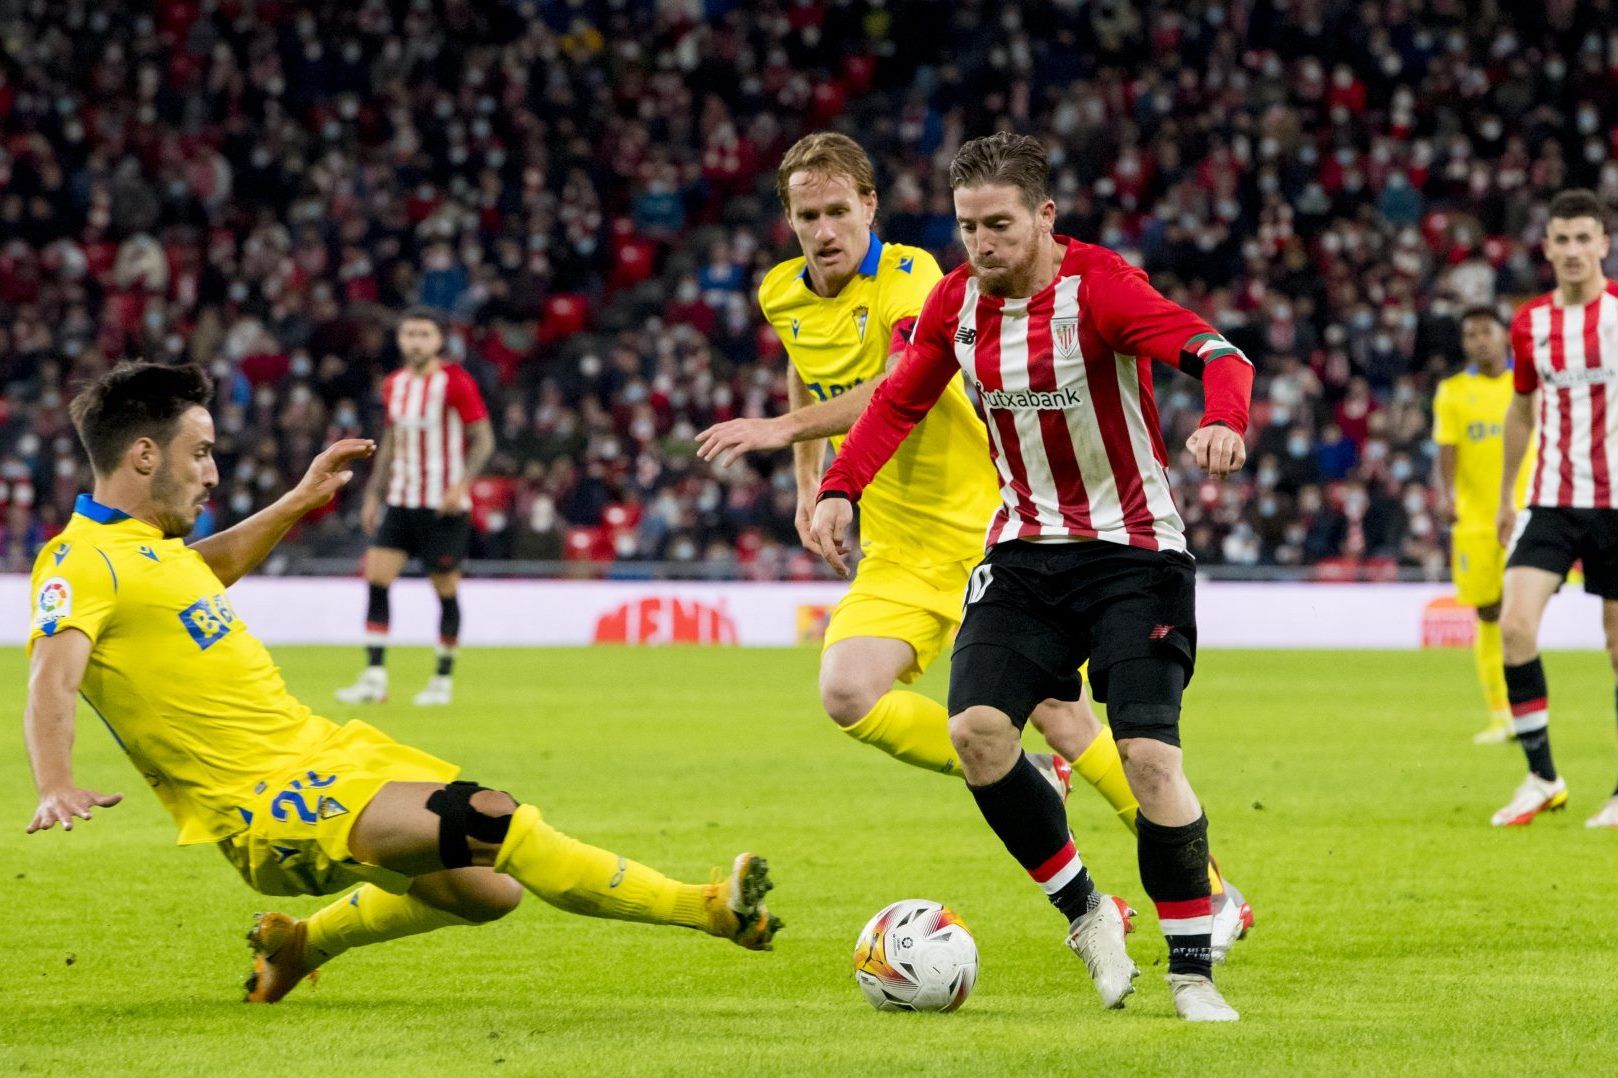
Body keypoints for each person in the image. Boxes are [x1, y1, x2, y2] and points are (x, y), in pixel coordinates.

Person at [24, 362, 779, 1004]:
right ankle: (710, 909)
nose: (214, 472)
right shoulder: (78, 561)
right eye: (203, 453)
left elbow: (198, 574)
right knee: (492, 820)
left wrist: (293, 504)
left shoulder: (152, 551)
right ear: (147, 456)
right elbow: (51, 681)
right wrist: (55, 781)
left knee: (490, 890)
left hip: (329, 753)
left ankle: (300, 946)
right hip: (266, 805)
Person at [697, 131, 1252, 959]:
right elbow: (803, 370)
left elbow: (896, 387)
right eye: (806, 215)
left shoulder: (920, 279)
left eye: (838, 211)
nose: (823, 230)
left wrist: (781, 434)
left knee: (1096, 732)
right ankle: (1029, 780)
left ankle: (1209, 894)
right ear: (786, 219)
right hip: (900, 540)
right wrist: (813, 483)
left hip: (994, 526)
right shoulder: (782, 292)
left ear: (870, 207)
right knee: (849, 693)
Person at [1493, 188, 1618, 830]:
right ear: (1546, 248)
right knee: (1514, 626)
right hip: (1552, 498)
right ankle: (1542, 777)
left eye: (1583, 238)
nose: (1572, 251)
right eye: (1560, 239)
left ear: (1604, 244)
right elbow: (1520, 409)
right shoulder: (1530, 323)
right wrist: (1508, 493)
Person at [337, 308, 495, 707]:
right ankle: (375, 678)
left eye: (424, 334)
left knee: (444, 588)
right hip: (402, 500)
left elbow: (484, 439)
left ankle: (442, 680)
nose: (416, 341)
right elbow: (390, 442)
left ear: (439, 340)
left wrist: (461, 485)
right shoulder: (395, 384)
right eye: (409, 334)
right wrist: (374, 493)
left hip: (443, 506)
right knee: (376, 578)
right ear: (401, 340)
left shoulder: (456, 382)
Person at [1432, 306, 1533, 744]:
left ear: (1504, 336)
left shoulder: (1527, 387)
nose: (1477, 341)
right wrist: (1448, 494)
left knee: (1522, 615)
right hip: (1476, 521)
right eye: (1469, 334)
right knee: (1489, 613)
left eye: (1485, 332)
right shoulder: (1453, 391)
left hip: (1528, 513)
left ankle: (1525, 708)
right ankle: (1501, 713)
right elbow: (1447, 449)